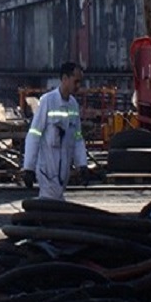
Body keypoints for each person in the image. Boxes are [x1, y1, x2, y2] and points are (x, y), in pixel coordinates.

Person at [22, 61, 88, 200]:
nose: (78, 86)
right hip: (47, 170)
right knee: (50, 204)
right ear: (65, 79)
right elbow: (34, 135)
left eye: (80, 82)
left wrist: (82, 165)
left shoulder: (73, 105)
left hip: (63, 173)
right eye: (76, 81)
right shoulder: (47, 101)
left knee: (55, 204)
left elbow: (77, 138)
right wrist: (29, 167)